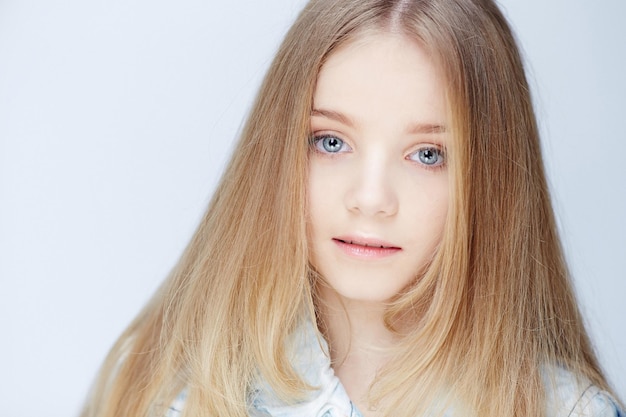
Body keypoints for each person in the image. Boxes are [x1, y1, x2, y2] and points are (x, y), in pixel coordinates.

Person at [80, 0, 624, 416]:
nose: (370, 199)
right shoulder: (171, 383)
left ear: (492, 183)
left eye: (427, 154)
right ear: (278, 150)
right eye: (331, 142)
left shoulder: (567, 409)